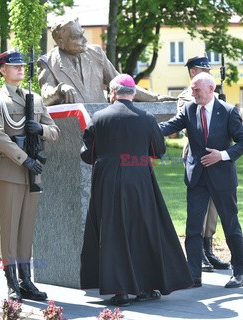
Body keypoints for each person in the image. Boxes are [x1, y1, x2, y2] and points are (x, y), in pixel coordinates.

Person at [79, 74, 193, 307]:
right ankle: (144, 288)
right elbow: (158, 150)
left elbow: (86, 154)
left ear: (112, 93)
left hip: (107, 179)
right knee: (141, 229)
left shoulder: (98, 117)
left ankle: (119, 291)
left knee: (112, 232)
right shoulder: (146, 118)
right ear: (132, 93)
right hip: (139, 178)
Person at [159, 72, 243, 289]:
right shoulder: (189, 109)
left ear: (211, 89)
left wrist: (222, 155)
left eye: (196, 90)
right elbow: (169, 126)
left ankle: (240, 273)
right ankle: (193, 275)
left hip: (222, 178)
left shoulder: (228, 112)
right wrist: (143, 127)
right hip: (197, 178)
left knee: (231, 225)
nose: (193, 93)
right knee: (193, 228)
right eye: (192, 89)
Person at [0, 50, 59, 302]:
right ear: (2, 69)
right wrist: (23, 158)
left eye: (21, 66)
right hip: (10, 169)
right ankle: (11, 281)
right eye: (13, 66)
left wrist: (41, 128)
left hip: (32, 172)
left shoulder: (35, 99)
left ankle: (27, 280)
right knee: (10, 228)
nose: (19, 69)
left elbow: (55, 131)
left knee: (26, 228)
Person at [37, 18, 174, 105]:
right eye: (77, 37)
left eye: (83, 34)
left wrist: (156, 98)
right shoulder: (47, 62)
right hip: (70, 128)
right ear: (60, 42)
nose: (85, 41)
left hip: (101, 125)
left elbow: (120, 82)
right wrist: (59, 90)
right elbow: (46, 97)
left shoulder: (96, 53)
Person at [177, 56, 230, 273]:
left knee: (213, 206)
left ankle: (208, 249)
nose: (208, 73)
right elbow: (186, 125)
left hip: (215, 154)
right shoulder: (187, 96)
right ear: (192, 72)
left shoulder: (213, 95)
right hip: (196, 152)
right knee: (199, 206)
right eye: (202, 70)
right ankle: (197, 254)